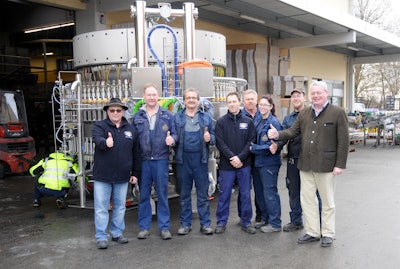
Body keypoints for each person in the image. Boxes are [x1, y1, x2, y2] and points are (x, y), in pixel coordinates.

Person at [268, 80, 349, 247]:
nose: (316, 96)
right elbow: (292, 132)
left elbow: (343, 140)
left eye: (319, 93)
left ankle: (328, 233)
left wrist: (340, 164)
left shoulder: (337, 112)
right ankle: (312, 231)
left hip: (326, 165)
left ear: (326, 93)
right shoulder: (304, 114)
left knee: (327, 202)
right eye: (313, 93)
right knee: (308, 200)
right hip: (305, 165)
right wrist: (277, 134)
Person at [92, 98, 139, 249]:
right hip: (103, 176)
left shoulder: (131, 129)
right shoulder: (99, 126)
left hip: (123, 175)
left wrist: (135, 173)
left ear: (123, 111)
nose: (115, 113)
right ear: (107, 111)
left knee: (120, 207)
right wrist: (105, 143)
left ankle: (117, 233)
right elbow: (97, 140)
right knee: (101, 207)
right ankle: (101, 237)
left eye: (118, 110)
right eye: (112, 110)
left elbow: (136, 153)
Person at [132, 83, 178, 240]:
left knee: (162, 194)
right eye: (148, 95)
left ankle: (164, 227)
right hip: (144, 161)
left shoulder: (167, 115)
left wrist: (173, 139)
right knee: (143, 195)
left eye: (154, 95)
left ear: (158, 96)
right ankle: (144, 228)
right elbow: (133, 141)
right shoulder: (137, 117)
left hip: (160, 160)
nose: (151, 97)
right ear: (144, 97)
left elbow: (176, 134)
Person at [214, 91, 256, 234]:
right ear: (227, 104)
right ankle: (221, 222)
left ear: (240, 103)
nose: (232, 104)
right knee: (224, 194)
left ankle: (246, 222)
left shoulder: (248, 122)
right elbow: (220, 143)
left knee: (245, 194)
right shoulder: (221, 122)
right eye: (229, 102)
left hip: (244, 165)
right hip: (227, 166)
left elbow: (251, 142)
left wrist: (240, 158)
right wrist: (232, 157)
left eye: (234, 101)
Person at [174, 88, 215, 236]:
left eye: (194, 98)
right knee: (184, 193)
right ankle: (185, 224)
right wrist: (171, 140)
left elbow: (214, 136)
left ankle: (205, 224)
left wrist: (209, 138)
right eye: (188, 98)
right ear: (184, 101)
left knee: (202, 192)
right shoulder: (177, 118)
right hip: (183, 159)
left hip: (200, 159)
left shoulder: (206, 118)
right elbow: (173, 137)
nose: (191, 100)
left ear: (198, 101)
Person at [250, 96, 284, 233]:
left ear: (271, 106)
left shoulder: (273, 123)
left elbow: (272, 147)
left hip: (269, 163)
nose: (262, 107)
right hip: (258, 163)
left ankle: (275, 223)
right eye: (261, 104)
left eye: (265, 105)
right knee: (260, 193)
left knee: (270, 193)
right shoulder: (258, 119)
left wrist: (253, 148)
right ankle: (265, 219)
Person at [281, 89, 307, 232]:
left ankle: (319, 224)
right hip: (293, 159)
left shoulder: (311, 115)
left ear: (305, 98)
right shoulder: (288, 119)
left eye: (299, 96)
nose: (296, 98)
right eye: (293, 96)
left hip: (309, 160)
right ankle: (296, 221)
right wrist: (274, 146)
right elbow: (283, 137)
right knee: (293, 191)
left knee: (313, 193)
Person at [237, 89, 263, 225]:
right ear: (243, 101)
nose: (250, 101)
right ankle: (243, 215)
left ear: (256, 100)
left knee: (259, 188)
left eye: (252, 99)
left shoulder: (262, 114)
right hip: (244, 158)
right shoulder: (239, 115)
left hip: (259, 157)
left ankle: (260, 215)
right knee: (244, 189)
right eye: (247, 99)